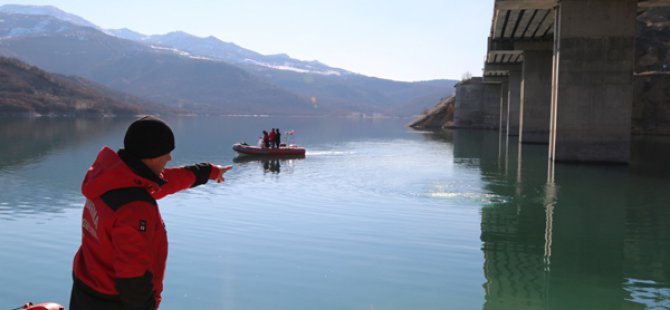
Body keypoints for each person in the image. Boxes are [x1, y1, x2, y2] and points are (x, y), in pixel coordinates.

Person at [69, 116, 233, 310]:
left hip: (84, 290)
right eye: (167, 153)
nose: (169, 158)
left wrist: (210, 172)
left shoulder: (111, 178)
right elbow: (133, 280)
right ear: (154, 156)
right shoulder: (135, 208)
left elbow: (166, 182)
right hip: (113, 302)